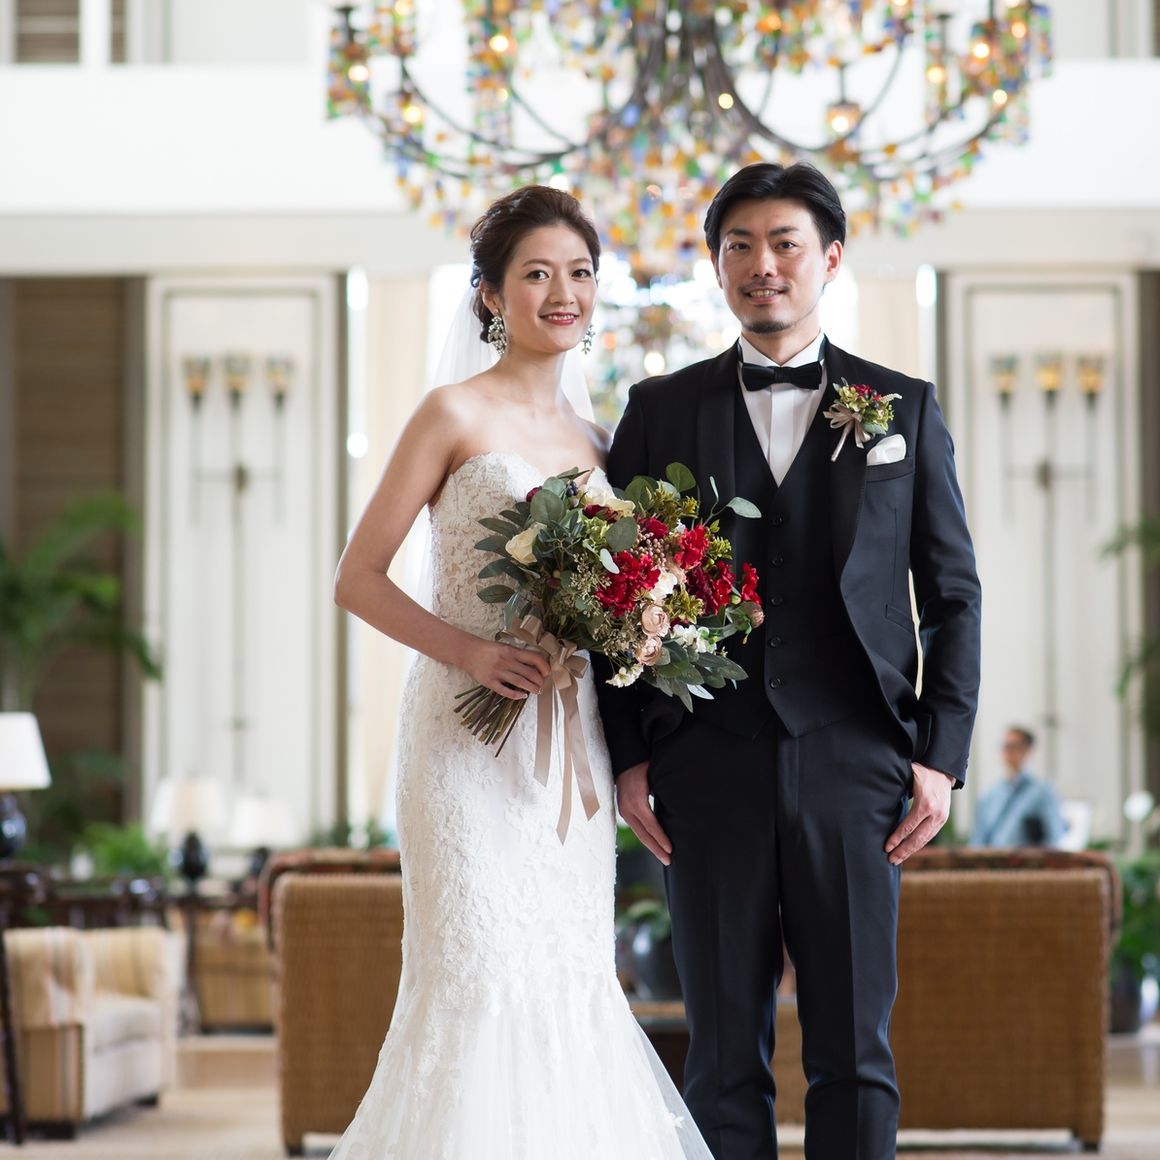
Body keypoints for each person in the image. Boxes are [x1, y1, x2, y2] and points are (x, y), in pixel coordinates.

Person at [596, 162, 982, 1160]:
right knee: (721, 1054)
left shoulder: (899, 406)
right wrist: (629, 755)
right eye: (740, 245)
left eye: (784, 244)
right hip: (703, 762)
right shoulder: (657, 408)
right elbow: (610, 595)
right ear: (715, 263)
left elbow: (951, 596)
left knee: (854, 1050)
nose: (762, 265)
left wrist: (938, 758)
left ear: (830, 259)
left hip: (857, 762)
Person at [330, 185, 711, 1159]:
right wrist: (469, 650)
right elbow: (356, 578)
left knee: (566, 979)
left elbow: (622, 596)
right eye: (537, 273)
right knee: (476, 973)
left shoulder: (600, 441)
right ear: (492, 296)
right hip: (462, 739)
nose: (563, 292)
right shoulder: (450, 413)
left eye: (579, 272)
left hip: (567, 753)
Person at [970, 726, 1064, 847]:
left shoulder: (1043, 793)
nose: (1007, 752)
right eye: (1005, 746)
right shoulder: (989, 795)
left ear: (1027, 750)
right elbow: (978, 839)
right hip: (992, 858)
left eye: (1013, 746)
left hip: (1026, 858)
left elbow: (1053, 836)